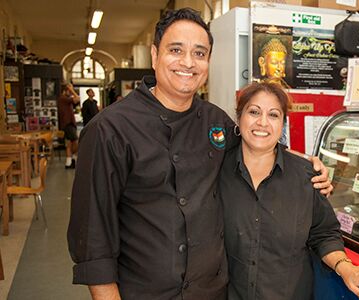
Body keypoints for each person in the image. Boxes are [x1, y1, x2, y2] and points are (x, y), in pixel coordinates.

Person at [67, 8, 332, 300]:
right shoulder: (109, 130)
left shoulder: (215, 121)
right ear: (155, 56)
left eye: (199, 53)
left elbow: (257, 143)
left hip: (211, 292)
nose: (188, 63)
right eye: (176, 50)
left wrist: (304, 165)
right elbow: (94, 242)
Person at [220, 82, 359, 300]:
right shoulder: (217, 170)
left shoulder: (306, 175)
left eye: (273, 115)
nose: (262, 122)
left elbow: (324, 233)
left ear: (283, 124)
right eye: (254, 112)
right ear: (239, 118)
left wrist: (346, 268)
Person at [57, 83, 80, 169]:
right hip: (68, 123)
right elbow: (77, 98)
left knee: (70, 143)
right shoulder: (63, 98)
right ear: (66, 90)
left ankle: (69, 162)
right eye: (69, 90)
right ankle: (72, 159)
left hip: (68, 123)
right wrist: (72, 90)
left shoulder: (64, 99)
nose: (70, 93)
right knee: (75, 141)